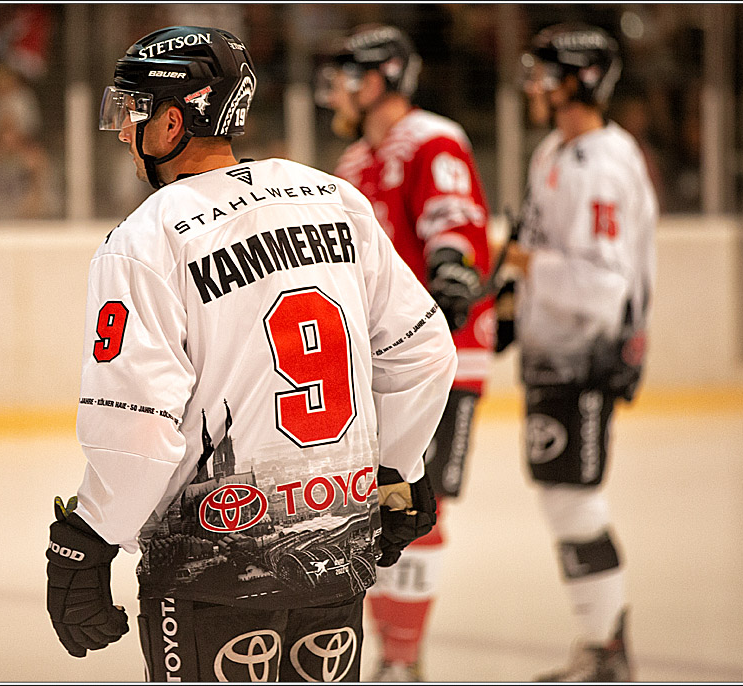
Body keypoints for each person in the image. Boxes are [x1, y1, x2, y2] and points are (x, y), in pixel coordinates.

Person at [44, 26, 458, 683]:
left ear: (173, 121)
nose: (125, 133)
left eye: (133, 114)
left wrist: (88, 540)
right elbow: (425, 351)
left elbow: (138, 425)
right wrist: (395, 469)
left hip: (210, 571)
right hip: (336, 550)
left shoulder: (148, 237)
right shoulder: (333, 197)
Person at [314, 24, 494, 682]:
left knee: (418, 502)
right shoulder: (353, 164)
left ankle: (401, 660)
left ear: (382, 76)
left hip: (439, 358)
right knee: (378, 503)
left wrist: (452, 270)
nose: (336, 88)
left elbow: (453, 223)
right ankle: (394, 653)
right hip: (380, 363)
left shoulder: (432, 138)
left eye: (348, 74)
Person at [495, 23, 657, 682]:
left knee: (574, 500)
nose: (531, 85)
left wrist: (522, 261)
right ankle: (600, 644)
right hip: (552, 354)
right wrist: (509, 304)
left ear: (577, 83)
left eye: (543, 73)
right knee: (562, 497)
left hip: (585, 356)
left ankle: (608, 650)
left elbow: (600, 287)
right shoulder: (556, 153)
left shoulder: (600, 167)